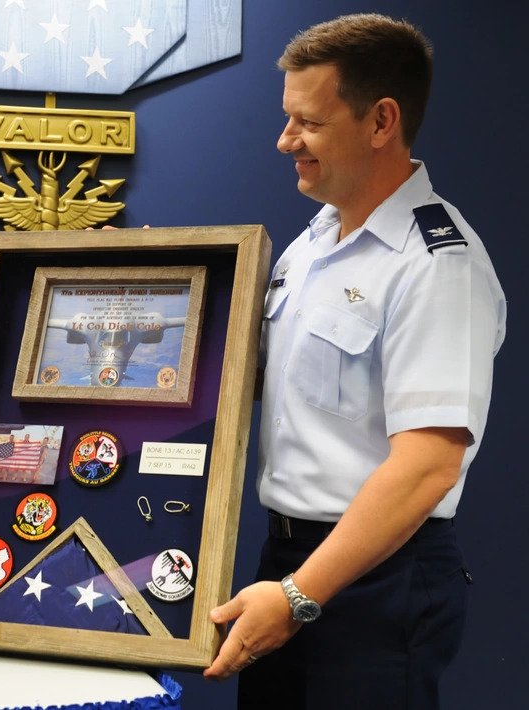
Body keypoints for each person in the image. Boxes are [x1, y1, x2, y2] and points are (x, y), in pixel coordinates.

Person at [203, 14, 506, 708]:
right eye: (287, 119)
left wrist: (300, 596)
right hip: (288, 563)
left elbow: (428, 463)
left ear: (381, 122)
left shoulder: (436, 265)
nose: (285, 142)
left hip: (377, 582)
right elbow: (259, 385)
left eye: (307, 123)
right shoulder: (311, 244)